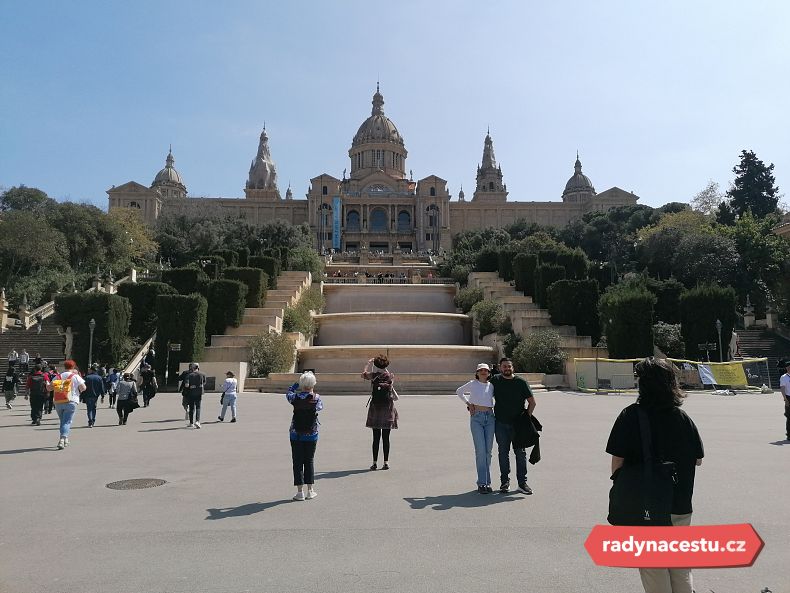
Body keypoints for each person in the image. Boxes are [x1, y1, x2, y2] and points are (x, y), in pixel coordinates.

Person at [606, 357, 704, 593]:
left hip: (646, 505)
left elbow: (617, 462)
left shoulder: (630, 416)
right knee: (680, 566)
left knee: (654, 567)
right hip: (680, 503)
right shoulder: (682, 418)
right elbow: (698, 459)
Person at [490, 358, 536, 495]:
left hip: (518, 425)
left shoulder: (521, 382)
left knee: (520, 454)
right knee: (503, 453)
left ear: (513, 367)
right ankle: (505, 482)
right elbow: (481, 390)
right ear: (499, 368)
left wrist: (525, 418)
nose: (507, 368)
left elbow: (532, 402)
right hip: (501, 424)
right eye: (504, 366)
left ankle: (522, 483)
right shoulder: (495, 381)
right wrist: (472, 405)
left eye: (509, 366)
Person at [456, 363, 495, 493]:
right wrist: (469, 404)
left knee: (488, 452)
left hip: (490, 418)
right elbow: (459, 391)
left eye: (486, 370)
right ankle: (482, 483)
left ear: (489, 373)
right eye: (481, 370)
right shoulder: (473, 383)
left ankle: (487, 482)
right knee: (480, 451)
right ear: (477, 373)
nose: (483, 372)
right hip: (477, 418)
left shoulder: (492, 385)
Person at [287, 371, 323, 500]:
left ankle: (299, 492)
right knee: (309, 460)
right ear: (313, 384)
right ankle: (310, 490)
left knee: (297, 461)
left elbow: (288, 392)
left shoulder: (294, 398)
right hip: (311, 433)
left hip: (295, 433)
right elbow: (319, 408)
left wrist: (296, 385)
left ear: (302, 384)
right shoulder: (317, 398)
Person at [362, 354, 399, 470]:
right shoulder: (390, 376)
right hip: (387, 409)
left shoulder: (373, 376)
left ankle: (374, 463)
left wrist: (368, 363)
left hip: (375, 409)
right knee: (386, 438)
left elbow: (363, 374)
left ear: (376, 365)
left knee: (376, 437)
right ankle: (386, 462)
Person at [52, 360, 86, 449]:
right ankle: (62, 439)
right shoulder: (75, 376)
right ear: (73, 367)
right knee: (66, 422)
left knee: (63, 421)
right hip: (71, 401)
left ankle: (65, 438)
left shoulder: (58, 376)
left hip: (59, 402)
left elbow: (49, 388)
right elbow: (83, 388)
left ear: (64, 367)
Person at [184, 363, 206, 428]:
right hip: (199, 393)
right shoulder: (203, 374)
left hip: (191, 393)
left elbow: (186, 385)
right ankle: (197, 421)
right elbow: (204, 383)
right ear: (198, 367)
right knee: (198, 407)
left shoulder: (189, 375)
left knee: (191, 408)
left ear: (192, 368)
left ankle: (191, 423)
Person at [780, 360, 790, 440]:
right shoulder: (784, 377)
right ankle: (789, 434)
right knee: (789, 416)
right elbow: (782, 388)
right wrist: (785, 399)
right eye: (788, 367)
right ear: (786, 368)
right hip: (788, 397)